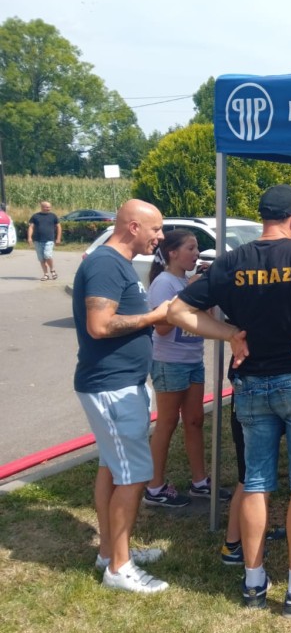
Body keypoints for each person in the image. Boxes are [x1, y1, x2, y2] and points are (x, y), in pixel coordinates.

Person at [167, 184, 291, 616]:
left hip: (251, 384)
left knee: (255, 482)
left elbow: (177, 311)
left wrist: (229, 335)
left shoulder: (230, 262)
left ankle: (254, 582)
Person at [72, 199, 170, 593]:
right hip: (112, 387)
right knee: (134, 474)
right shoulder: (105, 264)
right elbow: (99, 325)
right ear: (133, 227)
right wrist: (154, 316)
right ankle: (119, 569)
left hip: (122, 383)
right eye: (156, 229)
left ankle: (111, 551)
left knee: (113, 469)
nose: (160, 236)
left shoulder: (119, 264)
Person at [143, 230, 231, 508]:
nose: (197, 253)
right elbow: (162, 327)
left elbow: (209, 320)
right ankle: (154, 487)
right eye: (191, 248)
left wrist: (208, 289)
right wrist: (188, 293)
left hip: (193, 360)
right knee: (167, 423)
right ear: (173, 253)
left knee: (194, 420)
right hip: (169, 362)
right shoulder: (164, 282)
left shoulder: (185, 281)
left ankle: (200, 482)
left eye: (197, 248)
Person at [28, 200, 61, 281]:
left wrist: (58, 238)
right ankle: (46, 274)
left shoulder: (53, 216)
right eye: (47, 207)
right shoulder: (35, 216)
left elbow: (59, 227)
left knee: (47, 255)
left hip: (49, 239)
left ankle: (52, 270)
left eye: (49, 207)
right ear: (42, 207)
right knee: (41, 259)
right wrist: (29, 237)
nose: (49, 208)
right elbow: (31, 227)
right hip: (37, 240)